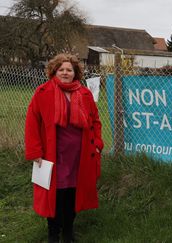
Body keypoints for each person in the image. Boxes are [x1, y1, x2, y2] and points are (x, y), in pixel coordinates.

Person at [25, 53, 104, 243]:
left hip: (80, 155)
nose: (65, 73)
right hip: (53, 155)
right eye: (61, 69)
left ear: (75, 72)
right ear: (54, 71)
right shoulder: (42, 92)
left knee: (72, 194)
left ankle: (68, 231)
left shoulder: (84, 93)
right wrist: (35, 152)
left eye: (69, 70)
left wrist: (98, 144)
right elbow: (32, 123)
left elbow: (95, 121)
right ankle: (53, 233)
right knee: (55, 196)